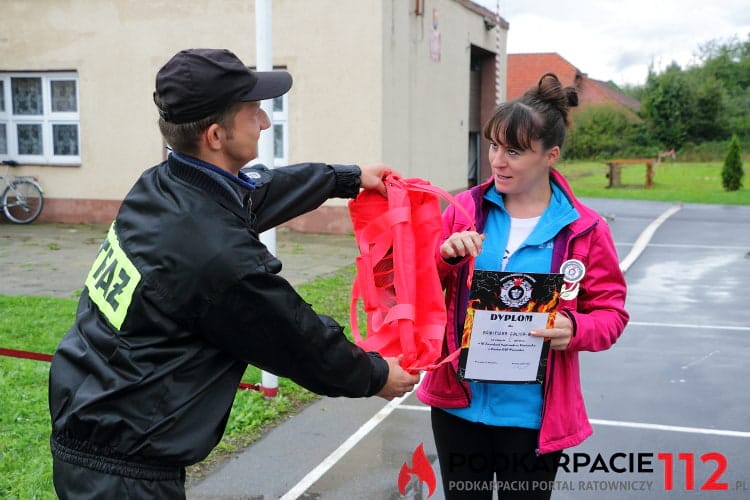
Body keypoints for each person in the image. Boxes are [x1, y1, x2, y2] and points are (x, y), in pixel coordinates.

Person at [47, 48, 420, 499]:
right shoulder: (214, 256)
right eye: (254, 112)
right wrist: (376, 375)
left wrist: (346, 178)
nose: (264, 122)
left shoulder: (164, 185)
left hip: (96, 427)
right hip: (124, 476)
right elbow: (293, 335)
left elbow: (253, 196)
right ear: (216, 135)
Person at [416, 73, 629, 499]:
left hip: (532, 417)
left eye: (514, 151)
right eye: (494, 146)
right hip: (459, 406)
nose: (497, 161)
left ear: (550, 155)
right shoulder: (463, 212)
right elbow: (418, 288)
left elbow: (612, 313)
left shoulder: (585, 230)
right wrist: (443, 258)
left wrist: (576, 329)